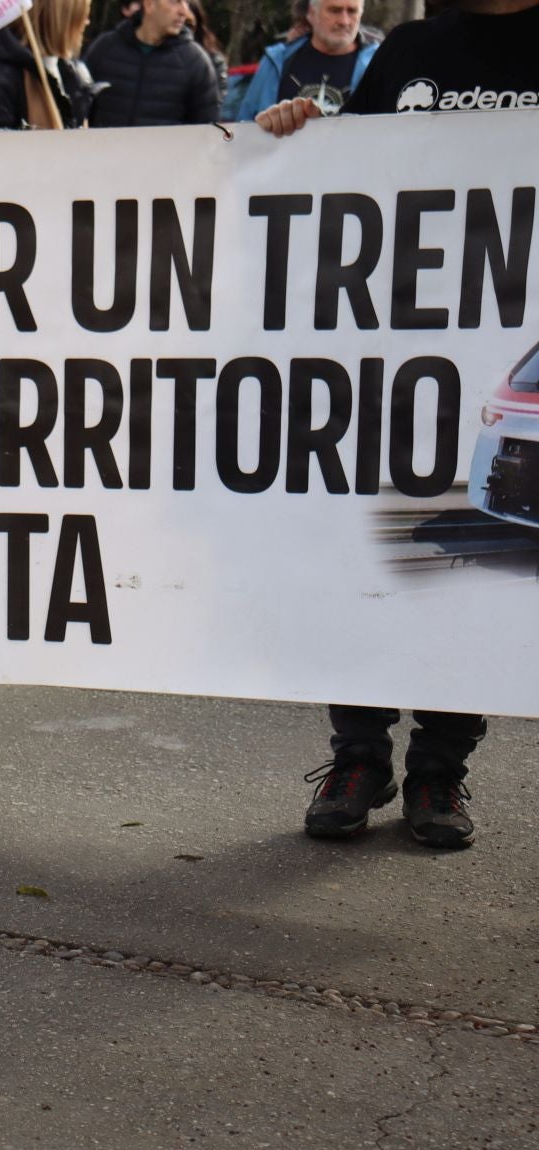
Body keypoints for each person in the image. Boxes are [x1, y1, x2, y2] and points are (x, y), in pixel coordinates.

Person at [258, 0, 539, 848]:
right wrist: (302, 129)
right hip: (390, 355)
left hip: (504, 364)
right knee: (369, 551)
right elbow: (348, 174)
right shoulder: (412, 49)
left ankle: (441, 774)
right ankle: (357, 758)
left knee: (474, 569)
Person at [0, 0, 98, 131]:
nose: (87, 22)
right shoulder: (1, 79)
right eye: (82, 15)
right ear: (62, 19)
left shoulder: (69, 73)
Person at [233, 0, 379, 120]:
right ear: (311, 13)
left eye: (352, 11)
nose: (344, 21)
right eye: (334, 10)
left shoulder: (378, 66)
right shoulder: (277, 61)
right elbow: (246, 126)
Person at [84, 0, 221, 127]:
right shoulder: (104, 49)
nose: (183, 11)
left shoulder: (195, 62)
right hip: (104, 152)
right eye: (175, 1)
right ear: (149, 4)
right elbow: (80, 114)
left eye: (186, 2)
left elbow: (206, 135)